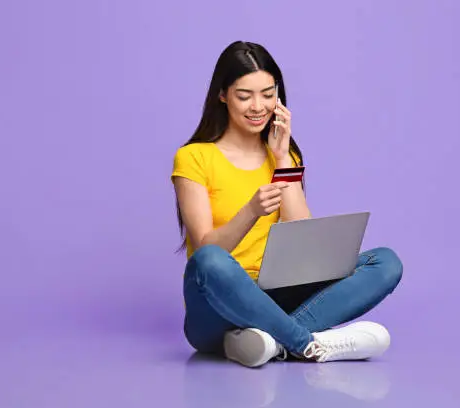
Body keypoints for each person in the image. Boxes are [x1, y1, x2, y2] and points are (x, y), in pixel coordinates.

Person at [171, 41, 403, 368]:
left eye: (268, 94)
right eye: (245, 95)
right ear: (222, 95)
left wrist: (282, 160)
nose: (258, 106)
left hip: (275, 295)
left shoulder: (284, 155)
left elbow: (303, 241)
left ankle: (269, 343)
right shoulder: (194, 157)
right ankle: (307, 344)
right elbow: (206, 247)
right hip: (216, 305)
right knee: (208, 260)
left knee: (385, 262)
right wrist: (251, 211)